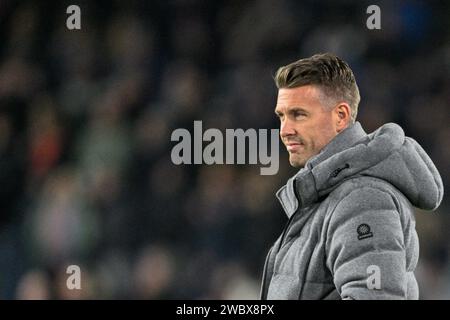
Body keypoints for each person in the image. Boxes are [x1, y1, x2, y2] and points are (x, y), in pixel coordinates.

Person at [260, 53, 444, 300]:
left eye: (298, 114)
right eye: (281, 116)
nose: (285, 130)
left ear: (341, 116)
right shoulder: (328, 195)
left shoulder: (362, 199)